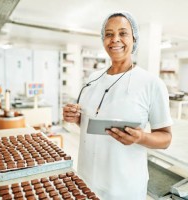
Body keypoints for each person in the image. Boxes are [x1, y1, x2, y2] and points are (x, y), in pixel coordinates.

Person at [63, 11, 172, 200]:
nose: (115, 39)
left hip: (124, 187)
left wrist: (141, 137)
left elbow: (166, 138)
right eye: (109, 34)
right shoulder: (92, 79)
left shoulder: (151, 83)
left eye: (123, 33)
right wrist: (76, 118)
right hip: (86, 178)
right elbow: (90, 125)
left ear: (134, 38)